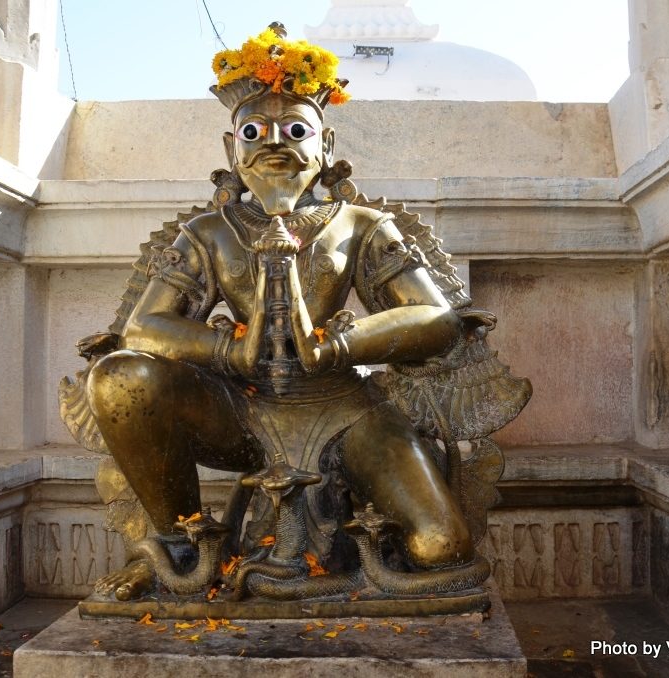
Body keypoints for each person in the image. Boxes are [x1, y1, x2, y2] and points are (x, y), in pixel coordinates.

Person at [83, 24, 475, 599]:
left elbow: (435, 317)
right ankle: (176, 545)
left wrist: (340, 344)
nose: (275, 145)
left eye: (295, 131)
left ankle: (341, 567)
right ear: (230, 150)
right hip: (244, 409)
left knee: (441, 546)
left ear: (326, 146)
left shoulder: (360, 228)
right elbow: (145, 328)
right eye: (253, 132)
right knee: (119, 378)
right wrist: (228, 350)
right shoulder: (210, 234)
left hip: (346, 408)